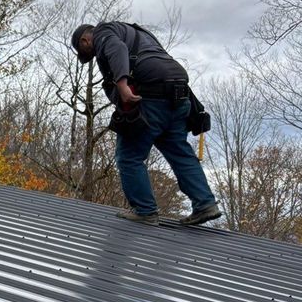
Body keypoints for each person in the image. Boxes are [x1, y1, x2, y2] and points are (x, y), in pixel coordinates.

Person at [71, 21, 222, 226]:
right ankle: (205, 204)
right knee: (179, 151)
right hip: (179, 98)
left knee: (129, 157)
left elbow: (117, 48)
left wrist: (122, 85)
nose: (94, 56)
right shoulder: (141, 35)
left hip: (151, 99)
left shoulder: (104, 33)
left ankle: (145, 211)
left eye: (87, 51)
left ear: (85, 40)